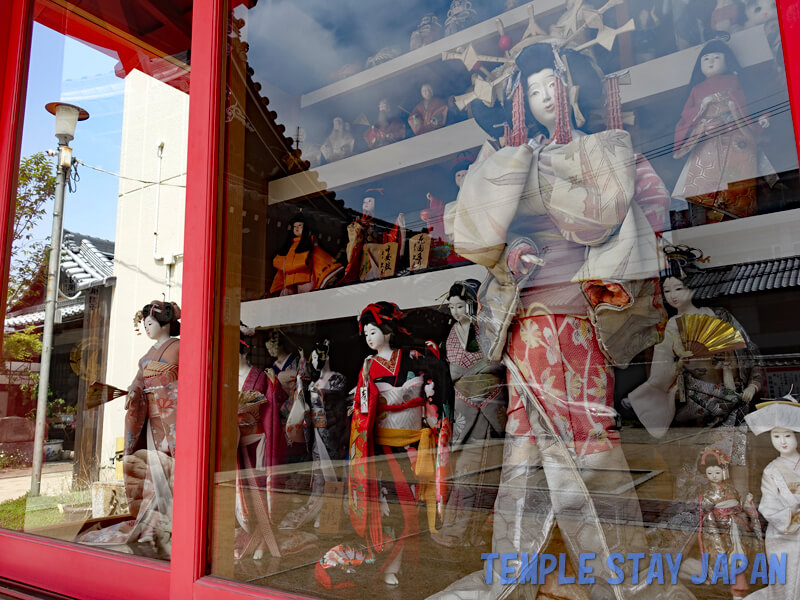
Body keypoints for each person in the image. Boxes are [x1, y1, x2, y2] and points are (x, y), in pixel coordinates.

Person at [432, 40, 692, 600]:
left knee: (587, 433)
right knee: (529, 440)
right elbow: (482, 234)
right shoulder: (507, 161)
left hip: (580, 318)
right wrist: (513, 252)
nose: (548, 96)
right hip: (529, 317)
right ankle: (548, 572)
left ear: (572, 90)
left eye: (555, 85)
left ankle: (597, 574)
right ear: (523, 100)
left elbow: (646, 208)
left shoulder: (605, 151)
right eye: (535, 90)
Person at [316, 302, 451, 589]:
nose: (368, 337)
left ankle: (409, 562)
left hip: (414, 443)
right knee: (397, 511)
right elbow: (364, 406)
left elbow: (432, 392)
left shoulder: (413, 356)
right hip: (383, 446)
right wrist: (385, 397)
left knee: (412, 506)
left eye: (373, 330)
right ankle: (393, 564)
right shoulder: (367, 365)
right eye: (365, 333)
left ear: (388, 331)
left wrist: (419, 398)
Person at [625, 247, 762, 469]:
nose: (673, 296)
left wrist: (748, 381)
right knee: (699, 463)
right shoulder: (670, 325)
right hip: (695, 402)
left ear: (692, 287)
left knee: (734, 463)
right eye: (667, 291)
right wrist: (678, 365)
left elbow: (749, 352)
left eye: (678, 288)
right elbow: (660, 375)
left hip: (730, 394)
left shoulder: (719, 315)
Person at [79, 301, 181, 553]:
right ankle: (154, 521)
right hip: (152, 419)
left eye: (151, 323)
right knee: (154, 469)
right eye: (144, 324)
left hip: (173, 417)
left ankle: (177, 521)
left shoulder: (180, 347)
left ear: (165, 323)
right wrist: (134, 392)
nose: (147, 327)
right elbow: (137, 382)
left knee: (174, 470)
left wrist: (166, 391)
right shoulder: (145, 357)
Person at [432, 280, 506, 548]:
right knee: (463, 470)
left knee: (480, 469)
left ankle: (465, 533)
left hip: (485, 403)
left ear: (473, 305)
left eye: (460, 306)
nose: (455, 311)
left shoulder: (485, 327)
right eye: (451, 306)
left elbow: (496, 362)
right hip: (463, 403)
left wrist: (472, 373)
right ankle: (456, 527)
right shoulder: (452, 332)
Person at [672, 39, 771, 223]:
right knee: (707, 178)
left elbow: (753, 102)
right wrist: (703, 105)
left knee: (739, 177)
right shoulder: (696, 90)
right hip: (708, 138)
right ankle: (710, 216)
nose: (711, 61)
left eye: (717, 57)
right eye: (706, 58)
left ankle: (741, 212)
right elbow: (686, 115)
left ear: (727, 61)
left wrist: (762, 117)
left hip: (736, 134)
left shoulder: (736, 81)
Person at [279, 339, 349, 530]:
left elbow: (339, 406)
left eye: (319, 356)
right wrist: (302, 385)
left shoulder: (338, 379)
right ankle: (318, 509)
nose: (317, 361)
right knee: (318, 472)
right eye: (314, 357)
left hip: (332, 432)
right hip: (316, 429)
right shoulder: (314, 381)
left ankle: (331, 517)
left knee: (333, 472)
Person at [744, 400, 800, 600]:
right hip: (782, 531)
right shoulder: (771, 470)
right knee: (785, 576)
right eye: (776, 436)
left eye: (787, 435)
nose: (782, 441)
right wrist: (793, 513)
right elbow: (769, 504)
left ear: (797, 437)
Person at [695, 448, 761, 600]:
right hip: (721, 530)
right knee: (729, 558)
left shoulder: (732, 489)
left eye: (717, 472)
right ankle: (734, 590)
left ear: (724, 471)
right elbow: (706, 515)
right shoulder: (707, 493)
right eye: (710, 473)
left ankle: (742, 587)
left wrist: (747, 505)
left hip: (737, 527)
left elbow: (739, 506)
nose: (714, 476)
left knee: (742, 557)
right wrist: (717, 534)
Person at [269, 211, 342, 296]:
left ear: (305, 227)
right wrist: (277, 285)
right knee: (287, 302)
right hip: (288, 282)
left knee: (306, 300)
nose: (297, 228)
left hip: (305, 279)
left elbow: (319, 257)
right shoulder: (288, 247)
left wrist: (330, 268)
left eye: (300, 226)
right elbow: (282, 270)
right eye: (295, 226)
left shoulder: (309, 244)